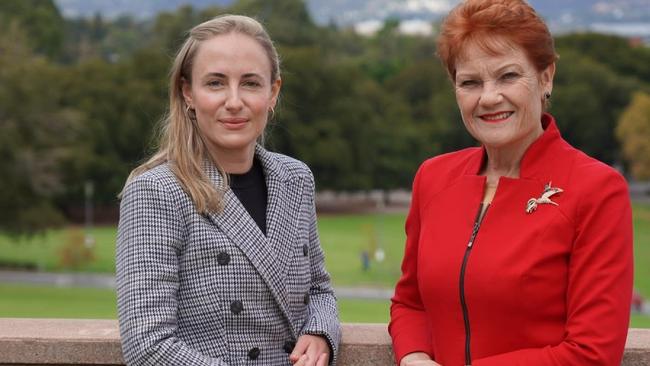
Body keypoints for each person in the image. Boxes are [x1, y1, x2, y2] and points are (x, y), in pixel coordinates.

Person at [389, 1, 633, 365]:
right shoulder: (433, 178)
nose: (489, 98)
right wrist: (414, 357)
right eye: (470, 82)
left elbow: (592, 353)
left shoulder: (597, 189)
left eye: (508, 76)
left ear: (546, 77)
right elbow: (410, 302)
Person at [116, 14, 340, 366]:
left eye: (250, 83)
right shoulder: (156, 191)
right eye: (216, 83)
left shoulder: (296, 179)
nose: (234, 101)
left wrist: (321, 332)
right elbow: (147, 345)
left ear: (273, 93)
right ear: (188, 93)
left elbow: (319, 290)